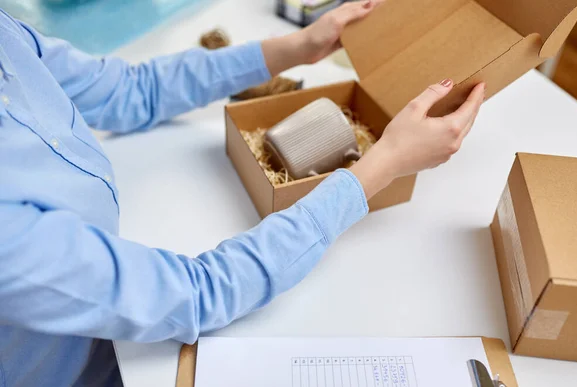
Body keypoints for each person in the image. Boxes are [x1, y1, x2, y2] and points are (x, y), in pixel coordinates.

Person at [0, 1, 485, 386]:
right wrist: (384, 166)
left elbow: (129, 90)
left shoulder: (7, 35)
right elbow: (197, 295)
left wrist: (295, 48)